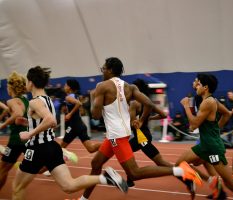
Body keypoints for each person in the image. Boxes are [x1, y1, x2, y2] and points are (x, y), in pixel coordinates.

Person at [80, 57, 201, 200]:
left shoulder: (102, 86)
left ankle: (179, 171)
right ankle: (84, 198)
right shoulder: (130, 87)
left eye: (103, 69)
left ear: (110, 70)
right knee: (96, 163)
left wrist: (93, 96)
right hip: (119, 135)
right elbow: (149, 103)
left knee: (134, 173)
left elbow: (95, 115)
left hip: (116, 136)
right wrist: (142, 120)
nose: (102, 71)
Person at [12, 66, 128, 200]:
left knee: (17, 188)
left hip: (37, 149)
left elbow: (50, 121)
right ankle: (104, 178)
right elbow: (45, 120)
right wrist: (27, 123)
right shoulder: (48, 100)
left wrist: (29, 134)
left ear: (30, 82)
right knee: (69, 185)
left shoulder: (34, 102)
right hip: (52, 147)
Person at [177, 73, 233, 200]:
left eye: (198, 84)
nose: (196, 86)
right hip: (205, 144)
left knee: (231, 183)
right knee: (179, 164)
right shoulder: (213, 101)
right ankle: (198, 181)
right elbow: (227, 114)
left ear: (205, 87)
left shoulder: (208, 102)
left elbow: (194, 125)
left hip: (212, 147)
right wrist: (215, 129)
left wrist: (185, 106)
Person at [126, 79, 172, 187]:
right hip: (144, 136)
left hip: (142, 138)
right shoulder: (148, 103)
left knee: (160, 163)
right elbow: (164, 115)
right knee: (127, 152)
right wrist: (149, 118)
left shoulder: (134, 103)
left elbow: (132, 124)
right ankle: (129, 179)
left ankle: (183, 173)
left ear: (136, 89)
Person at [0, 72, 29, 190]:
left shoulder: (11, 101)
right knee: (39, 167)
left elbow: (18, 113)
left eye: (7, 85)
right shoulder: (25, 101)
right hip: (27, 137)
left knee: (3, 168)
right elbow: (15, 110)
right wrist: (4, 111)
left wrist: (2, 126)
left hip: (16, 140)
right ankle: (60, 156)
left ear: (11, 87)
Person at [61, 79, 101, 153]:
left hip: (73, 127)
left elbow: (79, 104)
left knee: (60, 148)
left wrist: (70, 114)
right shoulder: (76, 96)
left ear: (69, 87)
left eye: (65, 85)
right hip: (80, 126)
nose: (64, 87)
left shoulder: (68, 97)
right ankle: (108, 145)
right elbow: (81, 110)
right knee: (91, 149)